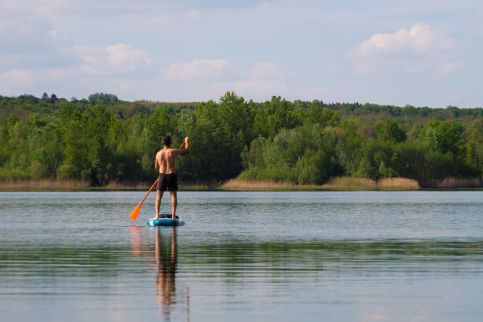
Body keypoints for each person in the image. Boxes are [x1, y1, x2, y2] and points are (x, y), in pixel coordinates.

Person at [153, 135, 189, 220]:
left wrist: (161, 173)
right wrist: (186, 141)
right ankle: (173, 216)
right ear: (170, 142)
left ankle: (157, 216)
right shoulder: (173, 151)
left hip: (161, 175)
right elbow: (186, 151)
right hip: (171, 175)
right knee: (173, 195)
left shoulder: (158, 153)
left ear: (163, 143)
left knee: (158, 196)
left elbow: (156, 167)